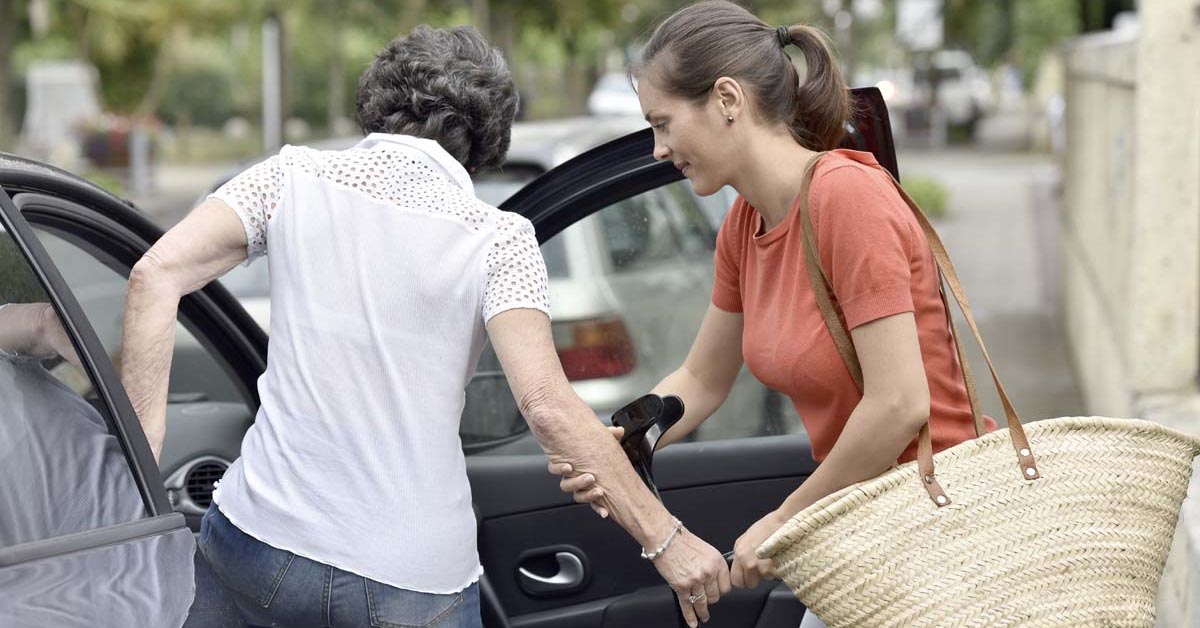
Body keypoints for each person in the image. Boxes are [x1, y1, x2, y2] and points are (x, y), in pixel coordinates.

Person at [119, 25, 728, 628]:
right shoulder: (499, 241)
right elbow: (545, 405)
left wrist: (140, 478)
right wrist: (664, 539)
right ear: (487, 137)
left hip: (258, 545)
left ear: (378, 100)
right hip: (411, 583)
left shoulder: (290, 178)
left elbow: (155, 275)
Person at [556, 3, 996, 627]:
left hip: (939, 529)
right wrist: (619, 442)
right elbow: (703, 380)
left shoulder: (848, 200)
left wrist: (786, 520)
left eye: (663, 124)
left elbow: (901, 404)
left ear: (727, 99)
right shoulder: (744, 223)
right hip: (861, 529)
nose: (657, 150)